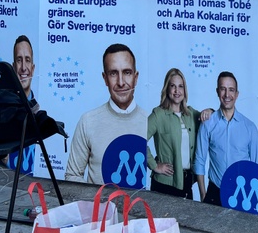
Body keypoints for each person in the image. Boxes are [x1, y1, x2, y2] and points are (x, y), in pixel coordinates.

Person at [65, 43, 147, 184]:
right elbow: (72, 176)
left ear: (136, 76)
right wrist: (97, 204)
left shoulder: (152, 122)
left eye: (127, 72)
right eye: (113, 73)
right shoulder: (88, 121)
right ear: (105, 78)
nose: (121, 82)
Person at [194, 71, 258, 206]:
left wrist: (255, 204)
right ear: (217, 91)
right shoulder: (207, 123)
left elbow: (255, 167)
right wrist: (203, 194)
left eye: (231, 90)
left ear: (237, 94)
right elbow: (200, 160)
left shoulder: (250, 128)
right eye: (223, 89)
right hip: (214, 193)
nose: (227, 95)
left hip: (242, 194)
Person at [147, 68, 202, 198]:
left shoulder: (191, 114)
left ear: (185, 90)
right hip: (164, 184)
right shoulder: (158, 115)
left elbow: (210, 120)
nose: (177, 91)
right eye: (173, 86)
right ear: (167, 89)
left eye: (180, 86)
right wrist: (154, 166)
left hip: (187, 182)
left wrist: (210, 110)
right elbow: (138, 139)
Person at [12, 35, 35, 100]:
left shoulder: (39, 107)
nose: (23, 68)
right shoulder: (2, 107)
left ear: (32, 69)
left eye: (27, 60)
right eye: (19, 60)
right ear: (13, 68)